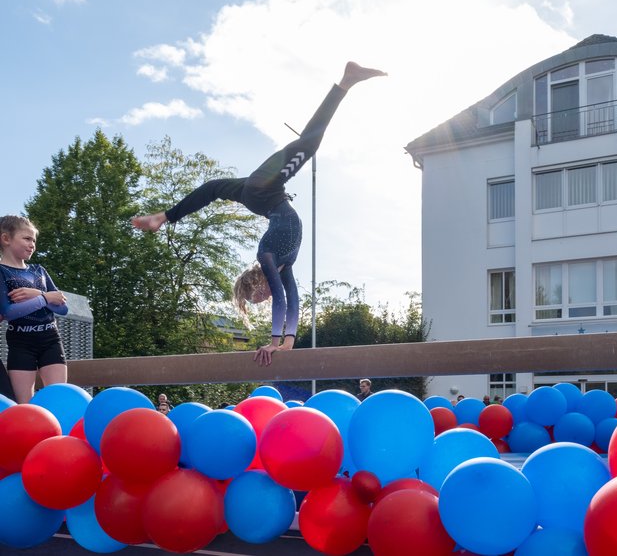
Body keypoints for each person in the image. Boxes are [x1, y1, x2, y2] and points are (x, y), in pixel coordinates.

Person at [132, 62, 387, 367]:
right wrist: (288, 344)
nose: (265, 299)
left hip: (264, 190)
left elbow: (280, 299)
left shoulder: (267, 255)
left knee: (309, 142)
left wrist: (274, 342)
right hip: (263, 197)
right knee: (216, 187)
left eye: (258, 297)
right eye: (260, 301)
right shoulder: (284, 265)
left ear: (257, 284)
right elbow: (293, 300)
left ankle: (345, 81)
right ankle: (164, 216)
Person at [0, 216, 69, 403]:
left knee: (58, 398)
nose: (32, 245)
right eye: (27, 239)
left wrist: (37, 294)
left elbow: (63, 308)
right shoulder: (2, 272)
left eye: (34, 241)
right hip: (21, 342)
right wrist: (45, 297)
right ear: (6, 239)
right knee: (24, 405)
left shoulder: (39, 270)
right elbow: (8, 311)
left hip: (50, 338)